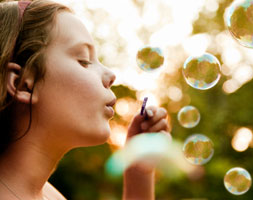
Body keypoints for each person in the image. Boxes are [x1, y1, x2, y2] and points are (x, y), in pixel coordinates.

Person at [0, 0, 170, 199]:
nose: (110, 75)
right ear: (23, 84)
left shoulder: (50, 195)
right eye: (84, 60)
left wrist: (138, 170)